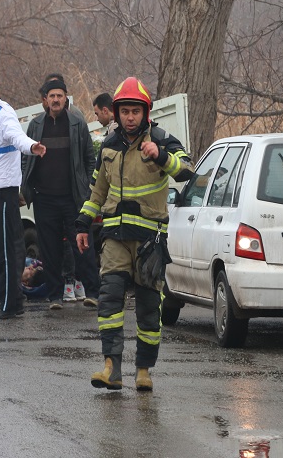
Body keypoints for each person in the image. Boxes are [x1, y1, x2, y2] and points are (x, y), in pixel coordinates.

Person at [76, 77, 194, 391]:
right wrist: (82, 224)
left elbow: (186, 170)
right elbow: (97, 191)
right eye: (125, 111)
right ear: (117, 113)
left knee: (148, 306)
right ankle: (111, 368)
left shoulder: (162, 139)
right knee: (109, 298)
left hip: (149, 241)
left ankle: (143, 370)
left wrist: (161, 156)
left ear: (145, 112)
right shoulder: (109, 145)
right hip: (114, 236)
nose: (130, 117)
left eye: (135, 111)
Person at [21, 78, 100, 310]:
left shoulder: (77, 123)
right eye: (52, 96)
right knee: (49, 249)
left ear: (66, 98)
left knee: (82, 245)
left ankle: (93, 292)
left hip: (73, 198)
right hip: (44, 199)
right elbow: (26, 156)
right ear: (45, 100)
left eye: (60, 96)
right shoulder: (35, 125)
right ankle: (55, 296)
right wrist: (27, 185)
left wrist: (86, 188)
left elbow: (89, 158)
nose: (56, 100)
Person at [0, 73, 46, 320]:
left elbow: (17, 137)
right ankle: (12, 300)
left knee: (6, 250)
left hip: (5, 189)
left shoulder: (4, 113)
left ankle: (8, 304)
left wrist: (31, 146)